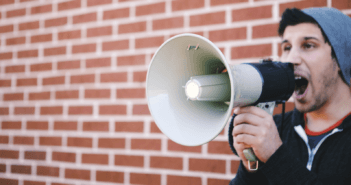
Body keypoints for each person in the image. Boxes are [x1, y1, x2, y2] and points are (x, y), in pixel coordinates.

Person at [230, 7, 351, 185]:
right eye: (287, 47)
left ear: (340, 58)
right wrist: (251, 166)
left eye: (308, 45)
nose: (291, 59)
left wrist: (276, 157)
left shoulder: (272, 141)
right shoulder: (275, 128)